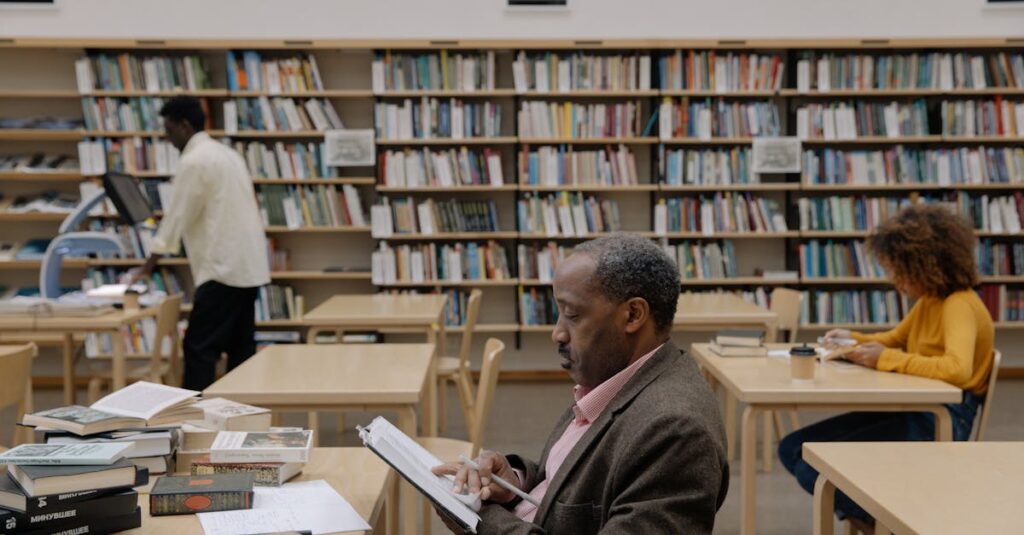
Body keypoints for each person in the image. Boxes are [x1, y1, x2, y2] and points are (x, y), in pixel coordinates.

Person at [431, 234, 729, 534]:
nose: (557, 334)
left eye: (572, 315)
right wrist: (514, 482)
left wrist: (480, 519)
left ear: (634, 315)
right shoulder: (614, 380)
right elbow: (567, 478)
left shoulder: (677, 432)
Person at [778, 204, 995, 530]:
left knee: (814, 469)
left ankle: (892, 522)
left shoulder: (959, 305)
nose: (896, 281)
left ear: (926, 265)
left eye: (900, 272)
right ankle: (882, 517)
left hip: (942, 419)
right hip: (914, 406)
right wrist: (849, 340)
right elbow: (895, 338)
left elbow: (957, 369)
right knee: (793, 448)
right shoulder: (930, 301)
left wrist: (883, 359)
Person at [130, 96, 270, 391]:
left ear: (184, 126)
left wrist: (146, 267)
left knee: (199, 348)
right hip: (248, 267)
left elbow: (177, 216)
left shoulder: (195, 160)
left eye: (169, 131)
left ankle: (193, 419)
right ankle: (239, 414)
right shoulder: (228, 154)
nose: (167, 140)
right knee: (240, 350)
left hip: (222, 268)